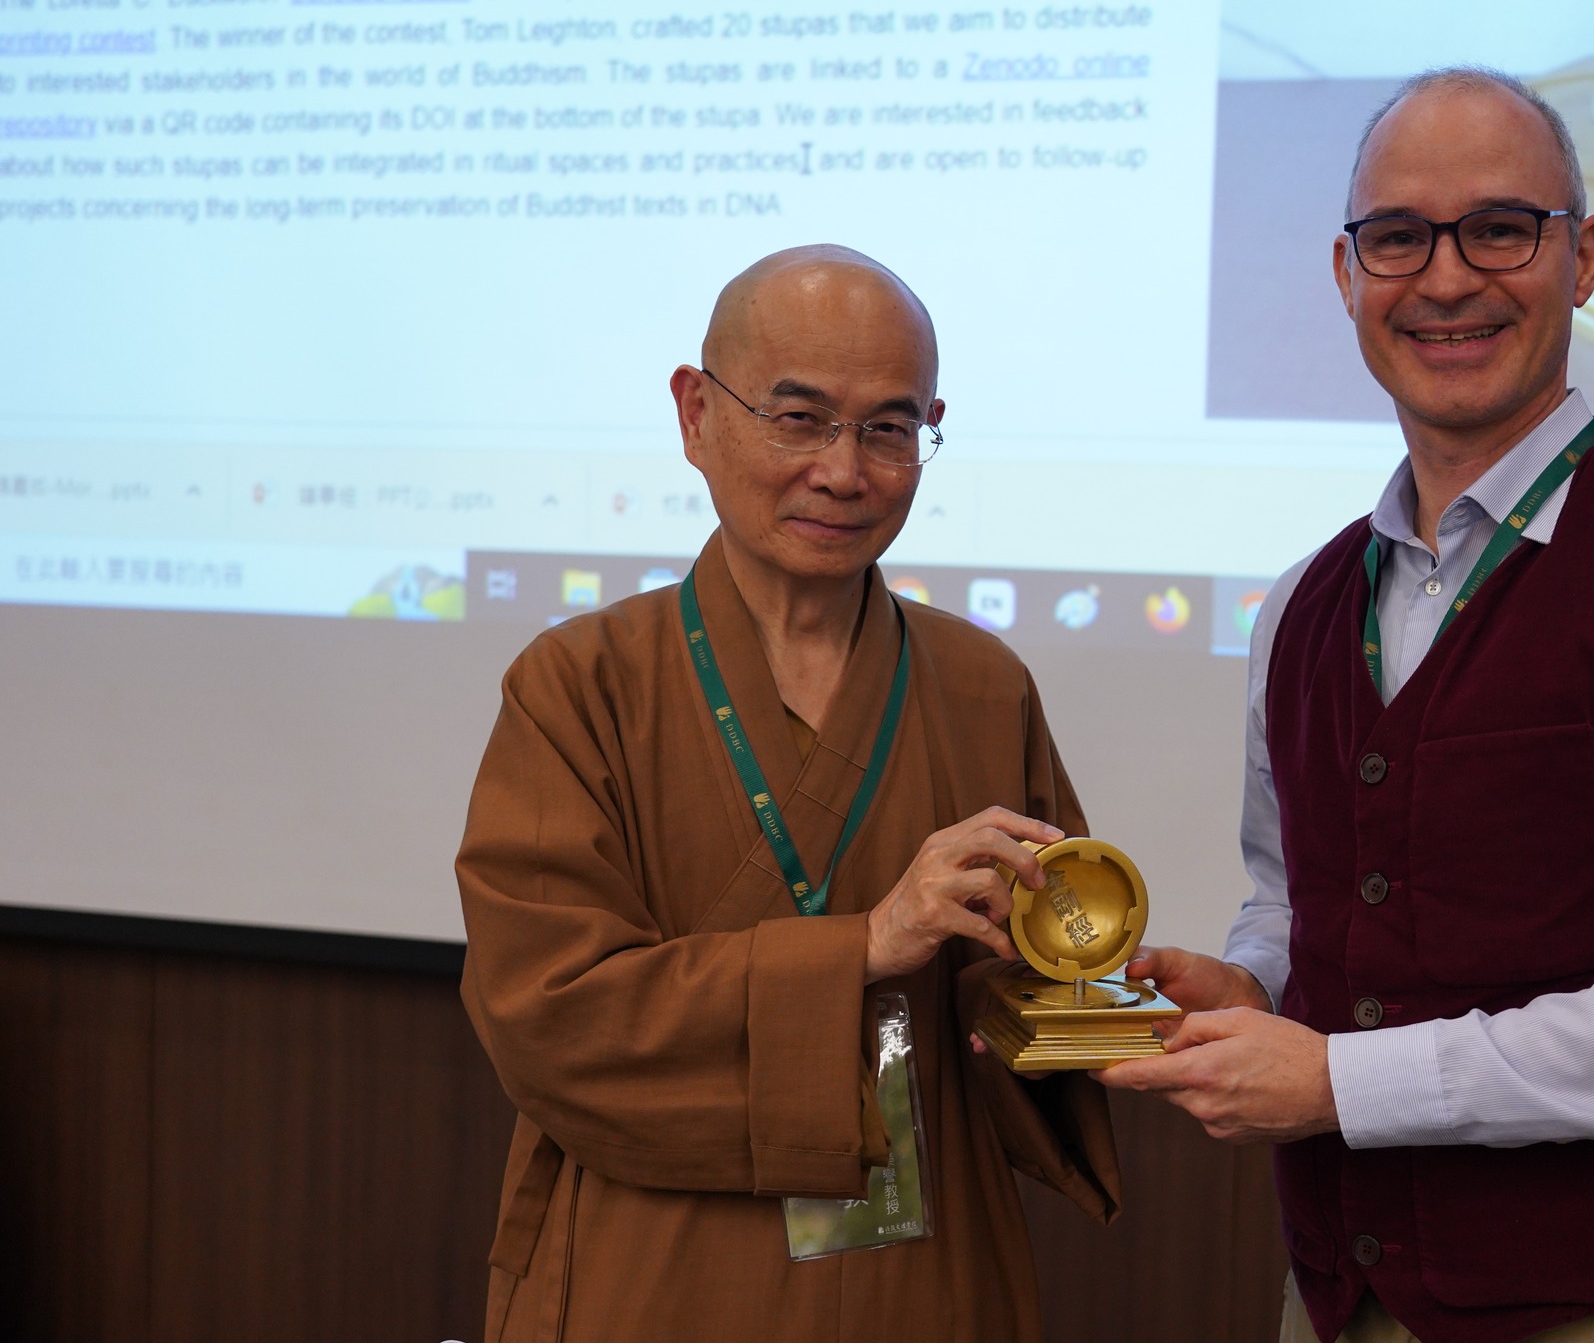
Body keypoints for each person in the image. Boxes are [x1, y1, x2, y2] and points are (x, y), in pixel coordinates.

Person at [1098, 68, 1594, 1343]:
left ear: (1585, 257)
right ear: (1346, 275)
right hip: (1343, 1294)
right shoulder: (1299, 603)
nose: (1443, 279)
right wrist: (1254, 993)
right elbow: (1297, 903)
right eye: (1395, 238)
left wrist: (1338, 1080)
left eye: (1497, 228)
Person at [456, 245, 1118, 1343]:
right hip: (659, 1267)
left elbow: (1029, 1016)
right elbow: (547, 1013)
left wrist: (1079, 995)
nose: (844, 472)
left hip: (922, 1264)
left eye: (888, 429)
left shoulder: (979, 683)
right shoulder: (579, 685)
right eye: (798, 419)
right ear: (695, 414)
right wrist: (861, 947)